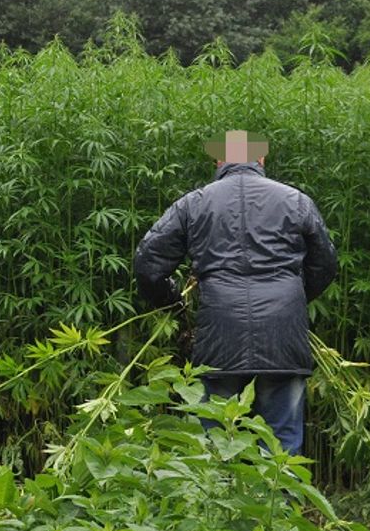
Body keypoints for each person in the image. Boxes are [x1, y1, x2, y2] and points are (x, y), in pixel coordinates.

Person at [133, 130, 338, 455]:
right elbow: (326, 264)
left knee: (216, 445)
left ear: (218, 159)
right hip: (283, 337)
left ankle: (218, 505)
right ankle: (280, 505)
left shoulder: (194, 203)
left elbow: (147, 264)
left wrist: (174, 304)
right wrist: (293, 301)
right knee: (280, 448)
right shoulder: (296, 201)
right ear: (261, 158)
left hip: (219, 335)